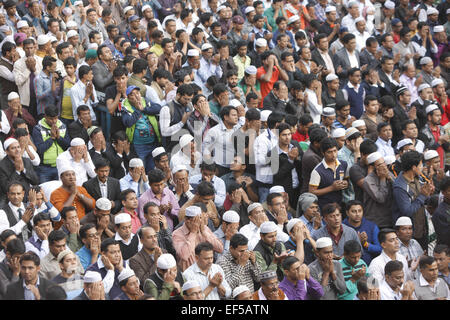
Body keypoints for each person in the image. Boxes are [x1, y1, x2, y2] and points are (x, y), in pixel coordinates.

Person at [121, 85, 161, 171]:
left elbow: (158, 108)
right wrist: (138, 110)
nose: (136, 96)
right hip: (139, 146)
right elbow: (128, 122)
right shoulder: (126, 107)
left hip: (152, 143)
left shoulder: (145, 101)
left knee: (151, 170)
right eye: (132, 94)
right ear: (128, 97)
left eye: (137, 93)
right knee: (140, 170)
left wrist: (144, 109)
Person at [172, 206, 223, 271]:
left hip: (207, 270)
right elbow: (184, 256)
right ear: (187, 220)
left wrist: (204, 232)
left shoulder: (204, 229)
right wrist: (193, 233)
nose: (200, 222)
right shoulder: (177, 234)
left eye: (201, 218)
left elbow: (220, 249)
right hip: (189, 274)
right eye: (196, 220)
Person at [32, 105, 70, 183]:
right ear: (45, 117)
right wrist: (52, 138)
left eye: (56, 118)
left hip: (61, 165)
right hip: (44, 168)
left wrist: (59, 138)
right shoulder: (37, 129)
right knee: (45, 192)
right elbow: (39, 149)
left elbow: (68, 147)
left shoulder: (63, 126)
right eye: (51, 119)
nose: (53, 121)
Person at [309, 137, 349, 209]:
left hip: (339, 205)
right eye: (329, 152)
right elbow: (312, 192)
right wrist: (332, 188)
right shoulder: (317, 171)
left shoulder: (343, 164)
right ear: (323, 153)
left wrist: (345, 183)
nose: (333, 155)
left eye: (335, 151)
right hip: (324, 207)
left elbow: (346, 180)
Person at [343, 200, 382, 265]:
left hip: (368, 264)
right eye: (353, 211)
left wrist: (365, 244)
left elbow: (379, 249)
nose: (357, 214)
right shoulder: (342, 227)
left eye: (360, 211)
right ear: (347, 213)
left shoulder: (372, 226)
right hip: (346, 264)